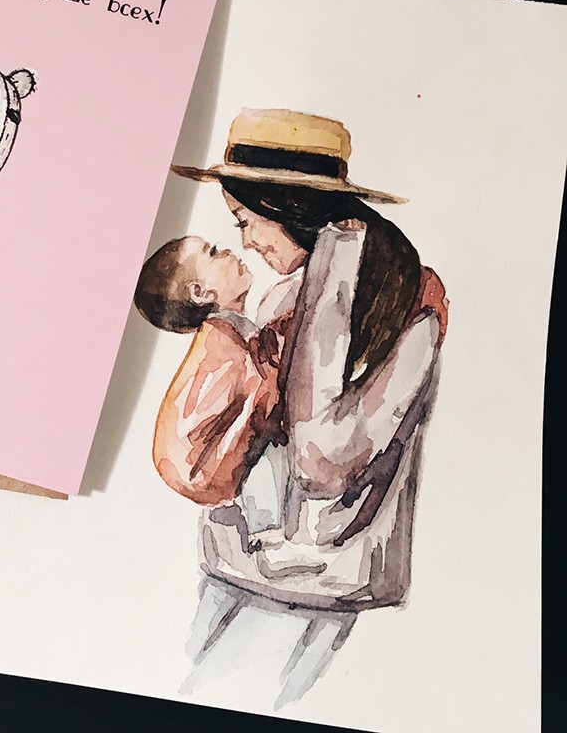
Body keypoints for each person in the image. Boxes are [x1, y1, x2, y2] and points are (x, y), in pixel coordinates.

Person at [143, 108, 448, 706]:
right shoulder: (287, 294)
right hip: (244, 571)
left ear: (288, 209)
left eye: (245, 221)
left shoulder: (407, 301)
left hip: (315, 595)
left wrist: (335, 264)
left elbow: (320, 459)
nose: (246, 243)